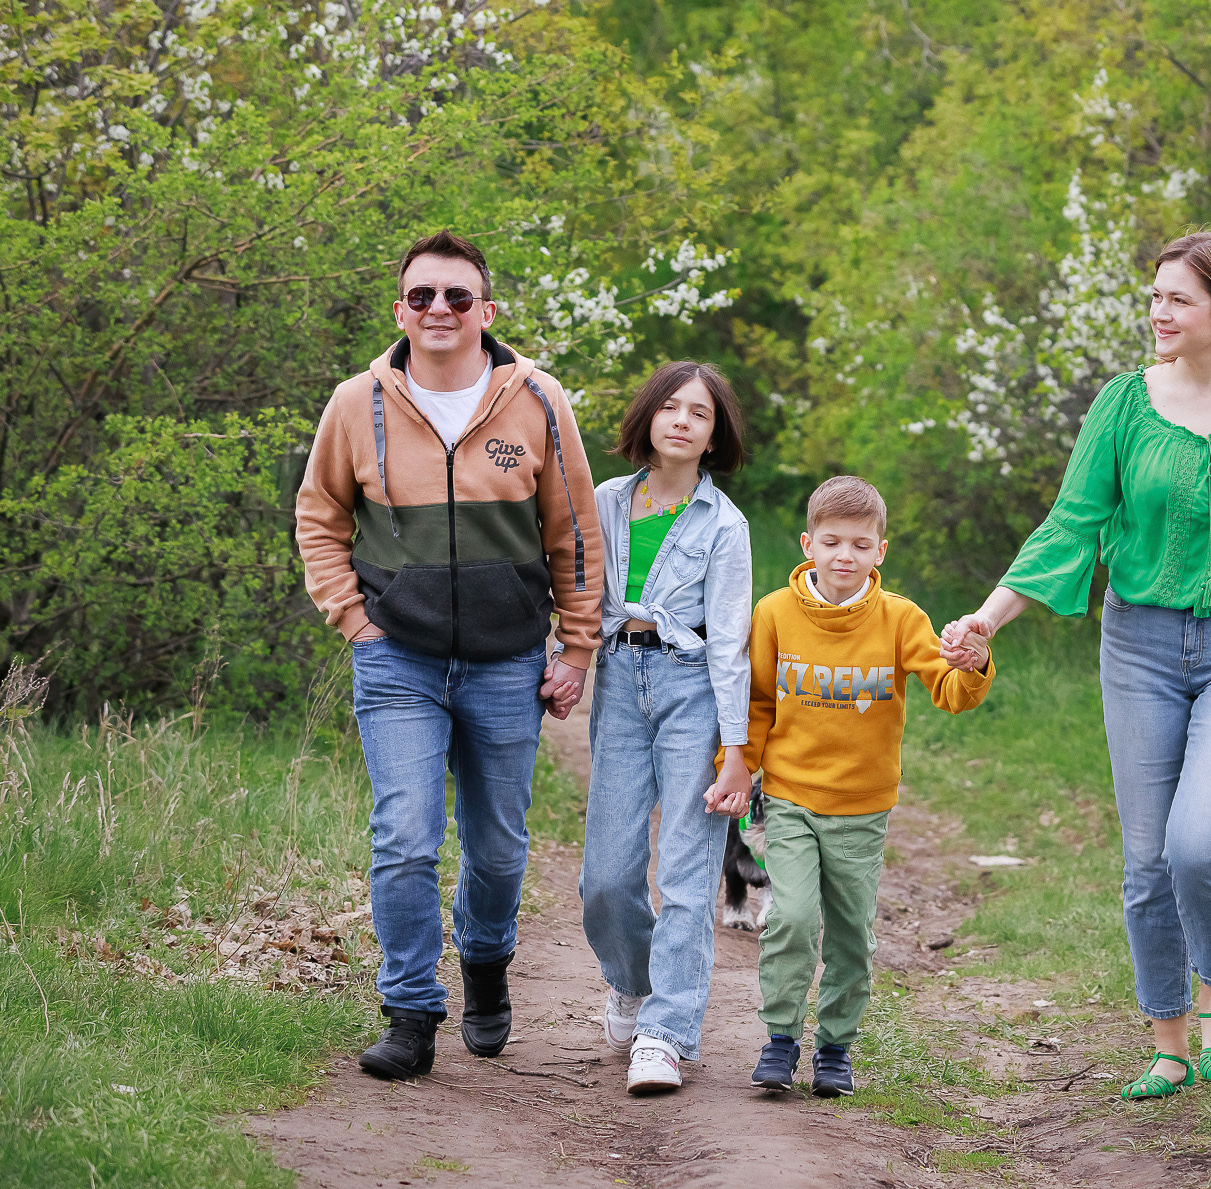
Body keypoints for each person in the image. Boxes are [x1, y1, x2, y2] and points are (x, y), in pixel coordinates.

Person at [940, 229, 1211, 1100]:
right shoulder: (1126, 404)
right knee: (1147, 860)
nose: (1157, 311)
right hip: (1139, 644)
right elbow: (1071, 526)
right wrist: (988, 617)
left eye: (1178, 298)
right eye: (1155, 294)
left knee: (1199, 838)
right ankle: (1169, 1039)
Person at [295, 229, 602, 1080]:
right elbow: (319, 515)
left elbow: (573, 530)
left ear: (485, 311)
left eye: (457, 297)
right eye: (422, 296)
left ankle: (486, 963)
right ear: (401, 309)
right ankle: (409, 1011)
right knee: (404, 836)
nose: (439, 309)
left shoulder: (538, 400)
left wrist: (576, 645)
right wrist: (353, 617)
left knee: (499, 847)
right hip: (398, 658)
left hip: (508, 659)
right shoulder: (356, 402)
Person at [705, 476, 994, 1098]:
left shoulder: (900, 619)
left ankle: (834, 1048)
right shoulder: (775, 614)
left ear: (880, 552)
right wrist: (738, 765)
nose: (845, 556)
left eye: (860, 545)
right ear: (809, 543)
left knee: (850, 935)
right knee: (793, 919)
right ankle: (780, 1039)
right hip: (789, 799)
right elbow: (755, 701)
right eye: (832, 542)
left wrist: (972, 663)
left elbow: (950, 691)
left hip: (862, 810)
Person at [579, 361, 754, 1096]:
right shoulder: (608, 501)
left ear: (715, 437)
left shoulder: (726, 524)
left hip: (692, 688)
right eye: (672, 407)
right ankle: (632, 982)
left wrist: (737, 751)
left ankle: (666, 1030)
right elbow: (580, 592)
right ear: (648, 417)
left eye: (701, 414)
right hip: (620, 679)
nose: (683, 420)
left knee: (686, 871)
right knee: (607, 877)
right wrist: (564, 661)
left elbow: (732, 641)